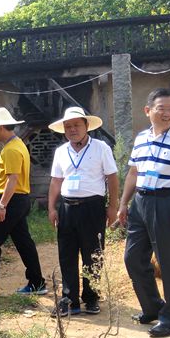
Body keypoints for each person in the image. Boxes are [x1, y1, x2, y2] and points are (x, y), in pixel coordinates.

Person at [117, 88, 170, 338]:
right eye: (161, 108)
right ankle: (153, 308)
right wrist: (124, 203)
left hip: (169, 203)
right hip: (140, 203)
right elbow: (133, 173)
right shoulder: (141, 138)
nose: (167, 113)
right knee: (132, 258)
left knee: (169, 263)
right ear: (148, 111)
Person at [47, 107, 119, 317]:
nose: (72, 129)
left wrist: (112, 206)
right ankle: (69, 299)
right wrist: (52, 207)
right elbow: (56, 181)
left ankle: (92, 297)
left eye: (76, 125)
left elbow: (112, 178)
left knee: (93, 254)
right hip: (67, 208)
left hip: (93, 208)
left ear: (86, 126)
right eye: (68, 126)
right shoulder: (61, 151)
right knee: (66, 254)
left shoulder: (100, 148)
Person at [0, 107, 47, 296]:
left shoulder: (12, 149)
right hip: (18, 200)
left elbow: (12, 179)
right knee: (23, 242)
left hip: (12, 201)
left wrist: (2, 205)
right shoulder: (17, 144)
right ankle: (37, 283)